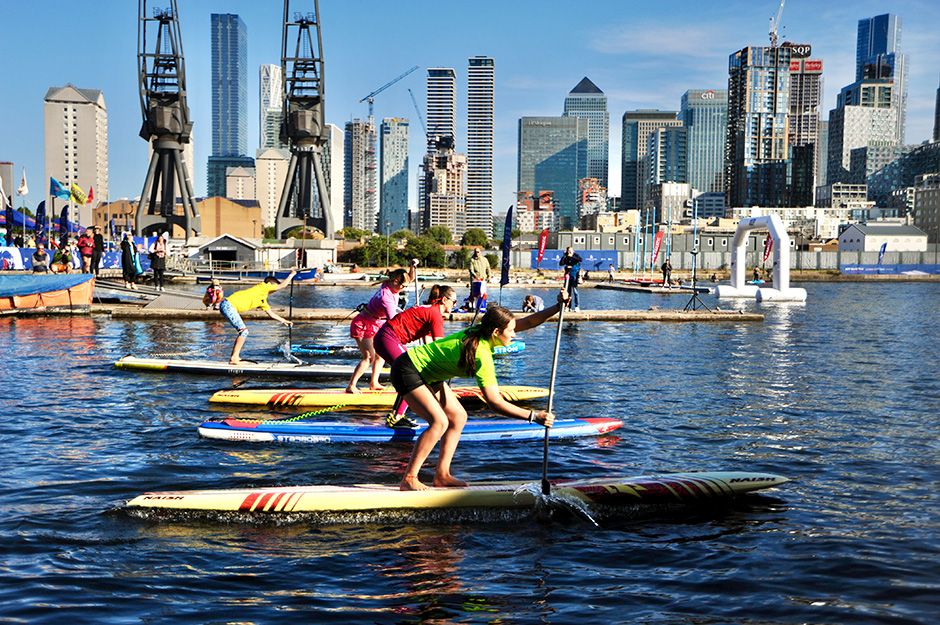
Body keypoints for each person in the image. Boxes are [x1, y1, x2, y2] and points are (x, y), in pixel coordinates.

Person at [390, 292, 568, 491]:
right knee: (439, 422)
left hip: (429, 374)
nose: (514, 334)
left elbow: (530, 321)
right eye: (510, 330)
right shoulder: (481, 355)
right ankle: (409, 478)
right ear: (496, 332)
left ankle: (442, 475)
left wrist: (557, 306)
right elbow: (494, 403)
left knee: (458, 417)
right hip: (408, 369)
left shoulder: (483, 331)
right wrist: (534, 416)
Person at [376, 285, 458, 427]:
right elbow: (439, 346)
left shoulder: (430, 311)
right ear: (444, 300)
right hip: (388, 338)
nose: (455, 305)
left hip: (384, 337)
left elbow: (429, 345)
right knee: (412, 375)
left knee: (412, 374)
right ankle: (396, 417)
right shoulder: (436, 315)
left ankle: (396, 415)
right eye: (454, 301)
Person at [346, 261, 418, 393]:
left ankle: (374, 383)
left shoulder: (392, 284)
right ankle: (351, 385)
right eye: (402, 286)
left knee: (381, 355)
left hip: (376, 324)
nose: (404, 289)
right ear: (395, 281)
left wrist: (412, 267)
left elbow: (409, 278)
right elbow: (393, 319)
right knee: (369, 357)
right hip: (362, 325)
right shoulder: (386, 297)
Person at [220, 271, 297, 365]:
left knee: (243, 331)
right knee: (244, 331)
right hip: (228, 305)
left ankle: (235, 356)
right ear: (270, 283)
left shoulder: (262, 299)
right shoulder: (263, 286)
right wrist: (292, 275)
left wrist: (283, 320)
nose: (276, 289)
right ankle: (234, 358)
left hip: (228, 306)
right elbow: (282, 286)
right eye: (275, 286)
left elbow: (271, 313)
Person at [559, 246, 582, 312]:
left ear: (573, 251)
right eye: (568, 251)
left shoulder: (576, 256)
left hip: (575, 275)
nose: (569, 252)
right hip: (568, 276)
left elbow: (580, 260)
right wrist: (563, 256)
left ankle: (577, 306)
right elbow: (561, 263)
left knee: (575, 291)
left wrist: (571, 256)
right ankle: (568, 306)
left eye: (570, 251)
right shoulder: (566, 257)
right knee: (568, 292)